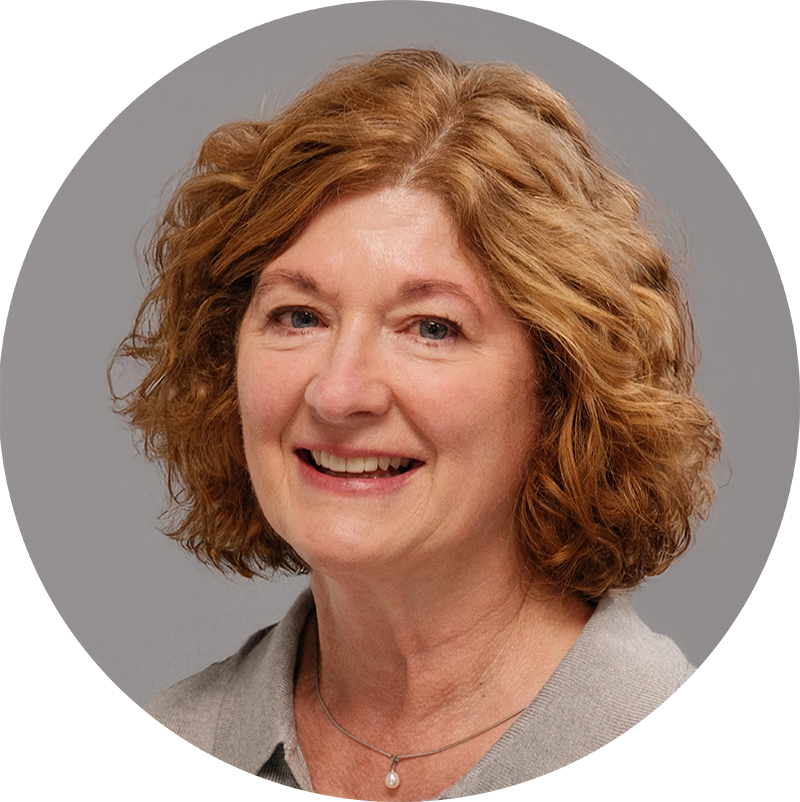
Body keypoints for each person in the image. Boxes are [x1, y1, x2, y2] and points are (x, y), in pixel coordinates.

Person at [114, 49, 720, 801]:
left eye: (431, 328)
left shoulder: (703, 762)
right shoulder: (156, 756)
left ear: (562, 386)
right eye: (299, 316)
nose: (339, 393)